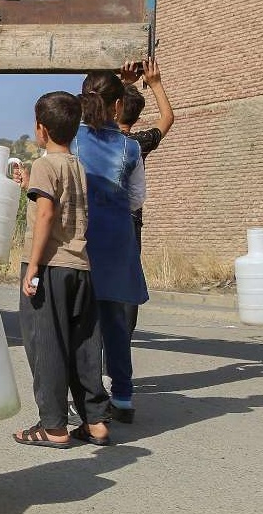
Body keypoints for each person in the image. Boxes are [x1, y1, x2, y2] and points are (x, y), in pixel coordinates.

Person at [12, 91, 111, 449]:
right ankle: (96, 420)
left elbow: (48, 215)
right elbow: (59, 203)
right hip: (80, 267)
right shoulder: (76, 165)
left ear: (41, 129)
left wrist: (33, 266)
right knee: (84, 344)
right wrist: (29, 186)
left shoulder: (44, 165)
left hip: (51, 266)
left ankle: (53, 425)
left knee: (46, 344)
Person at [71, 71, 146, 424]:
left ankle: (85, 398)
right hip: (118, 239)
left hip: (79, 239)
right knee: (117, 322)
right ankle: (124, 397)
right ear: (119, 106)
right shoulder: (130, 146)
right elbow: (136, 199)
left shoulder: (70, 139)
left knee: (82, 323)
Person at [111, 56, 174, 422]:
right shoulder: (137, 145)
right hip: (129, 229)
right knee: (126, 301)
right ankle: (122, 384)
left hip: (97, 232)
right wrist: (155, 82)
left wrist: (121, 83)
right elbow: (167, 119)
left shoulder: (94, 142)